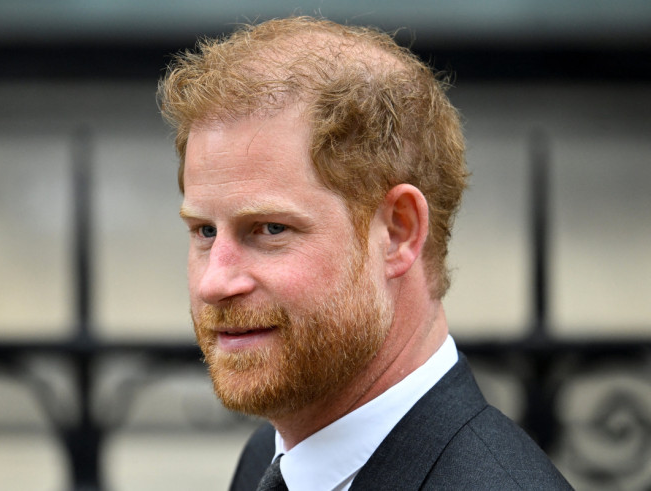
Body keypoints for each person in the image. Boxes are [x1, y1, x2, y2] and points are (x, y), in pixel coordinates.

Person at [159, 16, 572, 491]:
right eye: (205, 231)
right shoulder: (268, 459)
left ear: (398, 232)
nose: (215, 282)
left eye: (270, 229)